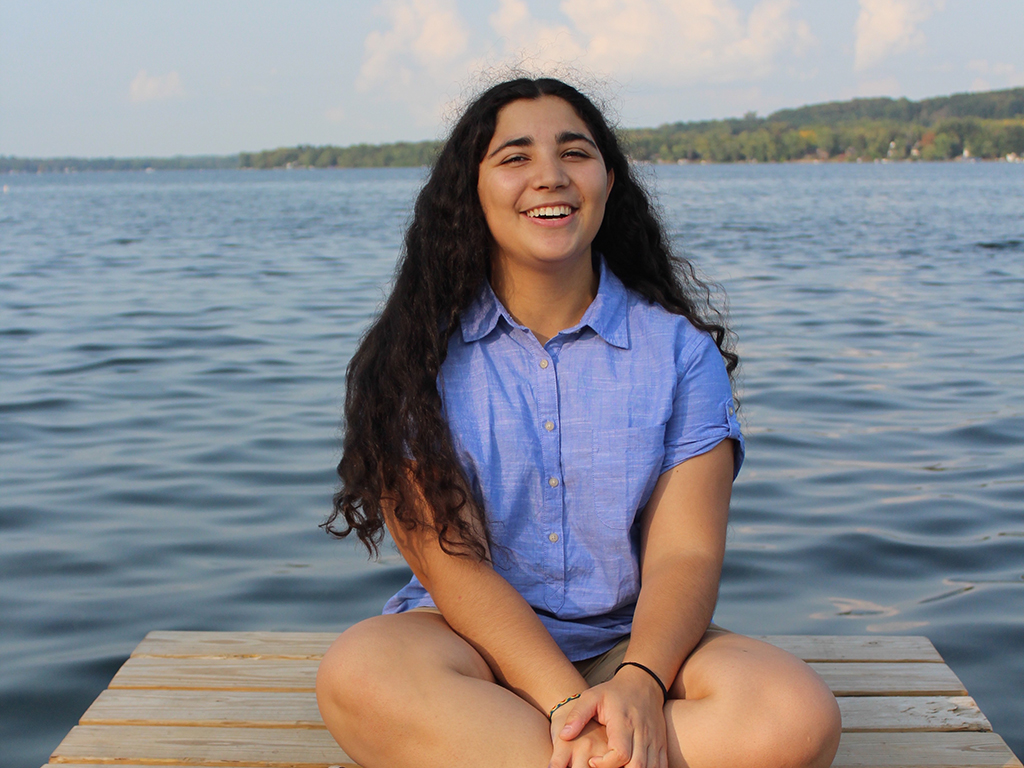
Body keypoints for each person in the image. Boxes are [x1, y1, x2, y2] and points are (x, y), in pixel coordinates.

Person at [316, 76, 841, 768]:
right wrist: (566, 703)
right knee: (359, 673)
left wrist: (642, 683)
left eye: (574, 153)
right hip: (468, 644)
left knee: (795, 716)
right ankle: (602, 755)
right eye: (515, 157)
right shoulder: (414, 357)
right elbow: (450, 562)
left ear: (609, 180)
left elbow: (685, 554)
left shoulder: (680, 353)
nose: (550, 176)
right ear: (470, 189)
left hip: (634, 646)